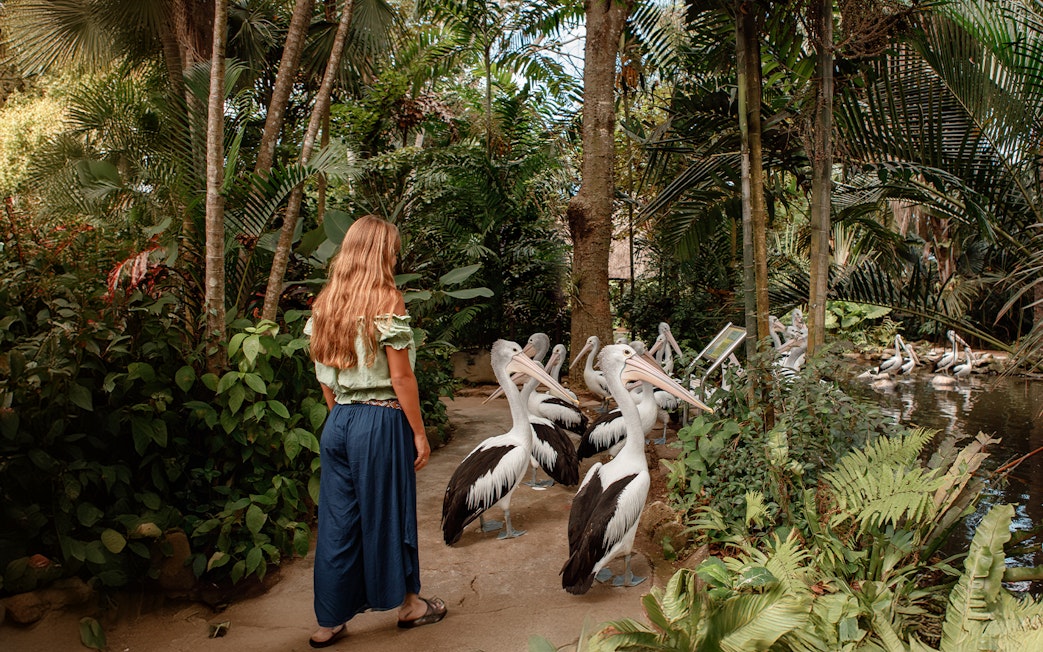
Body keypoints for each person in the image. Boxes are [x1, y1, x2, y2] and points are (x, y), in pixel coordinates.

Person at [305, 215, 446, 648]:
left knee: (337, 524)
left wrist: (342, 417)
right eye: (392, 248)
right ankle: (409, 606)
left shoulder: (327, 302)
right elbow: (402, 379)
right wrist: (418, 432)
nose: (396, 254)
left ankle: (328, 623)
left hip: (340, 421)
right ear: (380, 251)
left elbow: (325, 379)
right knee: (391, 515)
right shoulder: (389, 299)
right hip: (380, 421)